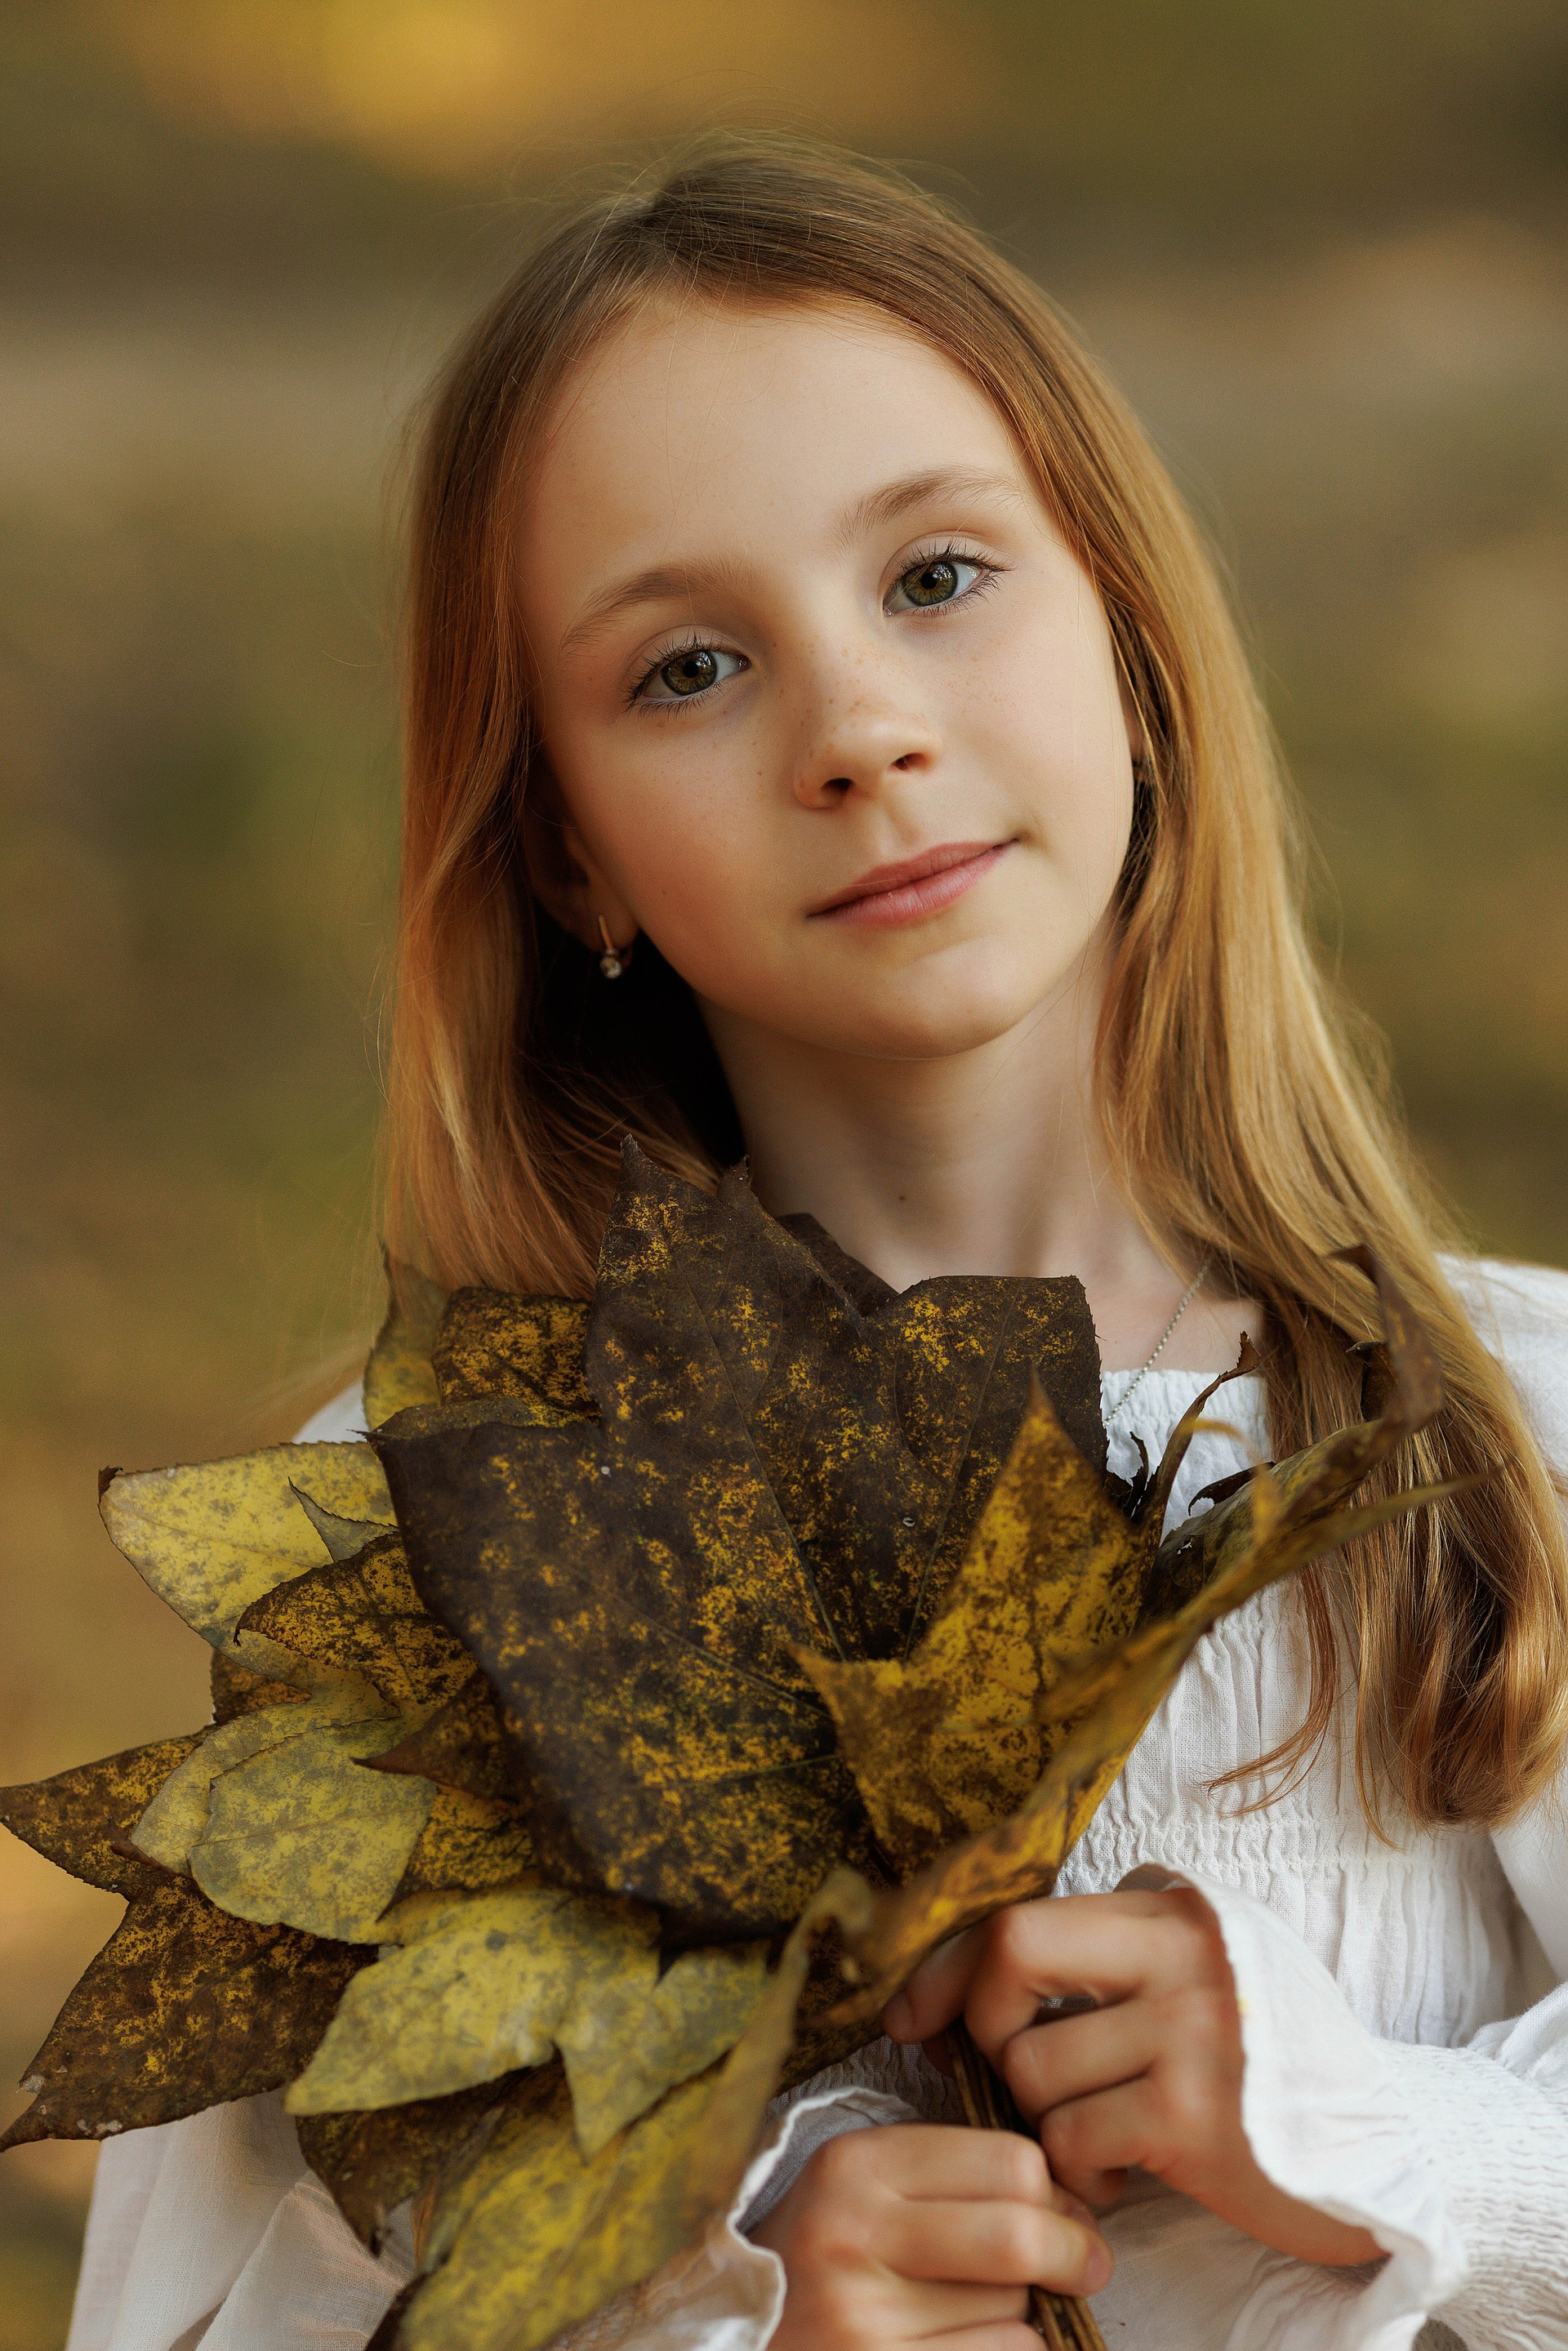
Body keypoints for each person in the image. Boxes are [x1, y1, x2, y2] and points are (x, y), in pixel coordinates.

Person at [68, 142, 1568, 2351]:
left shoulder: (1514, 1434)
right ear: (562, 847)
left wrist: (1367, 2143)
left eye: (938, 576)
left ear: (1134, 643)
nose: (860, 731)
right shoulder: (457, 1526)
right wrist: (718, 2311)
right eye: (687, 669)